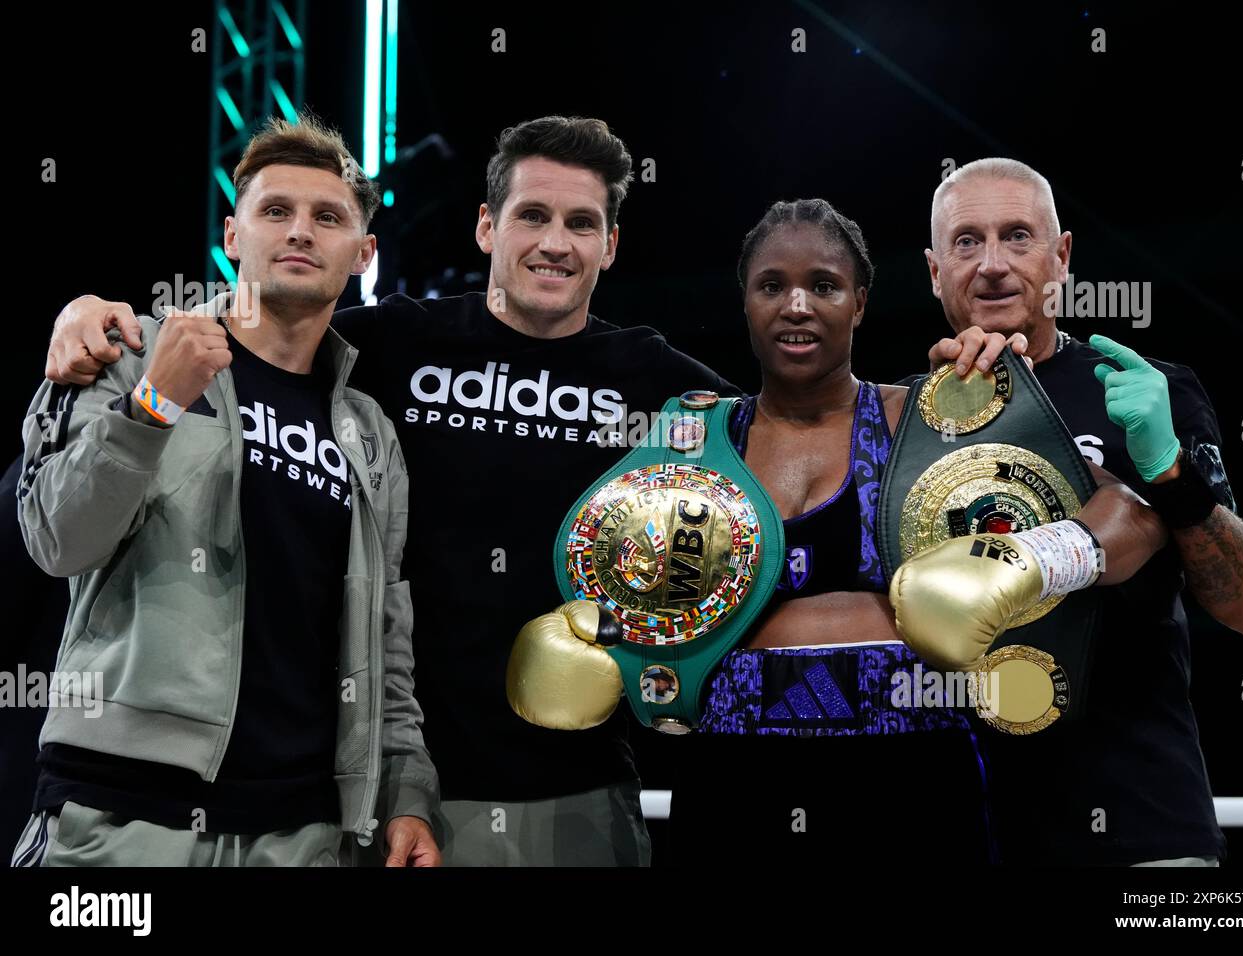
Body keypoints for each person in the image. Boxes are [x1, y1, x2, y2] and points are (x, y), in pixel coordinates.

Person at [38, 116, 731, 866]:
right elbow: (263, 323)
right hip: (349, 801)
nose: (555, 243)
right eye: (532, 215)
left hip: (564, 791)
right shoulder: (385, 348)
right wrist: (90, 317)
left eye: (581, 223)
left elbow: (796, 430)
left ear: (611, 244)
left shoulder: (662, 387)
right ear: (486, 226)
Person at [508, 198, 1171, 864]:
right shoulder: (689, 447)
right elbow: (634, 609)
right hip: (731, 779)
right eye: (773, 286)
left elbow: (1133, 516)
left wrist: (1028, 558)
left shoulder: (928, 420)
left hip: (911, 776)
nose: (797, 305)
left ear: (857, 303)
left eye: (822, 285)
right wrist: (610, 647)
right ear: (747, 301)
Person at [12, 116, 438, 867]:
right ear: (234, 234)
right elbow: (55, 541)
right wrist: (150, 407)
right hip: (121, 813)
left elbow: (384, 641)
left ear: (363, 253)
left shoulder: (371, 433)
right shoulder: (128, 349)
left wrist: (406, 793)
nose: (300, 232)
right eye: (275, 211)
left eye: (327, 217)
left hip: (298, 830)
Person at [917, 157, 1243, 865]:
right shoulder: (901, 419)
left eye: (1018, 236)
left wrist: (1169, 471)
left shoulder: (1145, 391)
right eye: (966, 242)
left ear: (1063, 257)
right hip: (962, 825)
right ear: (934, 272)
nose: (991, 265)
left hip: (1142, 821)